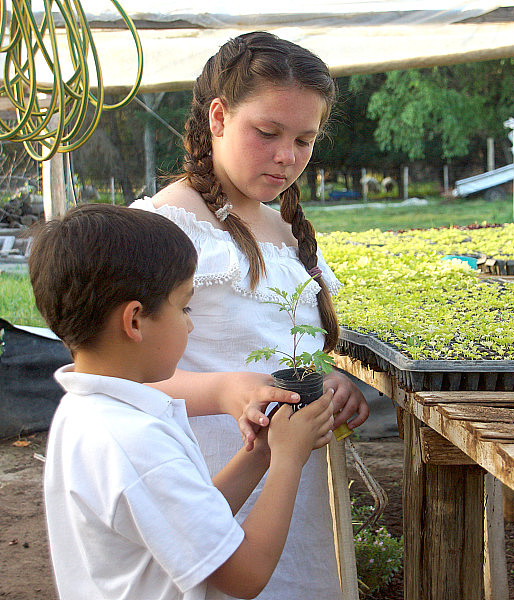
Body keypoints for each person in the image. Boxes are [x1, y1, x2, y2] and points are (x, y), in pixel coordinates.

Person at [131, 31, 369, 599]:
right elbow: (119, 374)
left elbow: (282, 351)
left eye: (305, 140)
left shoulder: (284, 230)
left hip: (294, 478)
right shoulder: (163, 229)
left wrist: (327, 385)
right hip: (210, 474)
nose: (287, 155)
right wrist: (224, 391)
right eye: (267, 133)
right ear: (218, 117)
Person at [29, 204, 335, 600]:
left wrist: (261, 453)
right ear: (134, 321)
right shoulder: (137, 443)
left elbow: (192, 523)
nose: (189, 323)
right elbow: (244, 575)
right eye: (184, 306)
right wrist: (289, 459)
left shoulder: (85, 412)